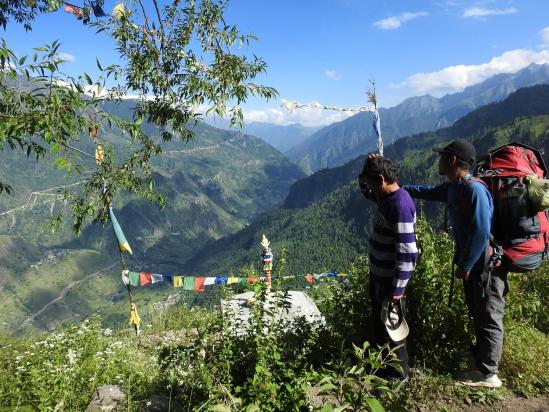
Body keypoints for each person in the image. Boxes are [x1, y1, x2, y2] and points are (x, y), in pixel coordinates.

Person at [403, 139, 505, 388]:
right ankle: (481, 361)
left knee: (489, 313)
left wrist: (467, 265)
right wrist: (399, 188)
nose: (438, 160)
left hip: (486, 264)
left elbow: (482, 230)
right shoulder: (454, 187)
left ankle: (489, 374)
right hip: (473, 263)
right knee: (477, 311)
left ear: (452, 161)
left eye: (442, 157)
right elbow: (426, 191)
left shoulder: (474, 190)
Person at [359, 154, 419, 389]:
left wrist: (397, 290)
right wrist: (366, 170)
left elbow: (408, 252)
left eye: (372, 182)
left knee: (393, 328)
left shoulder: (400, 205)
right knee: (380, 323)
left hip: (390, 282)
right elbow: (365, 190)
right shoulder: (385, 197)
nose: (370, 188)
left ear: (382, 179)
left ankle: (399, 375)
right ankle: (383, 366)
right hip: (379, 276)